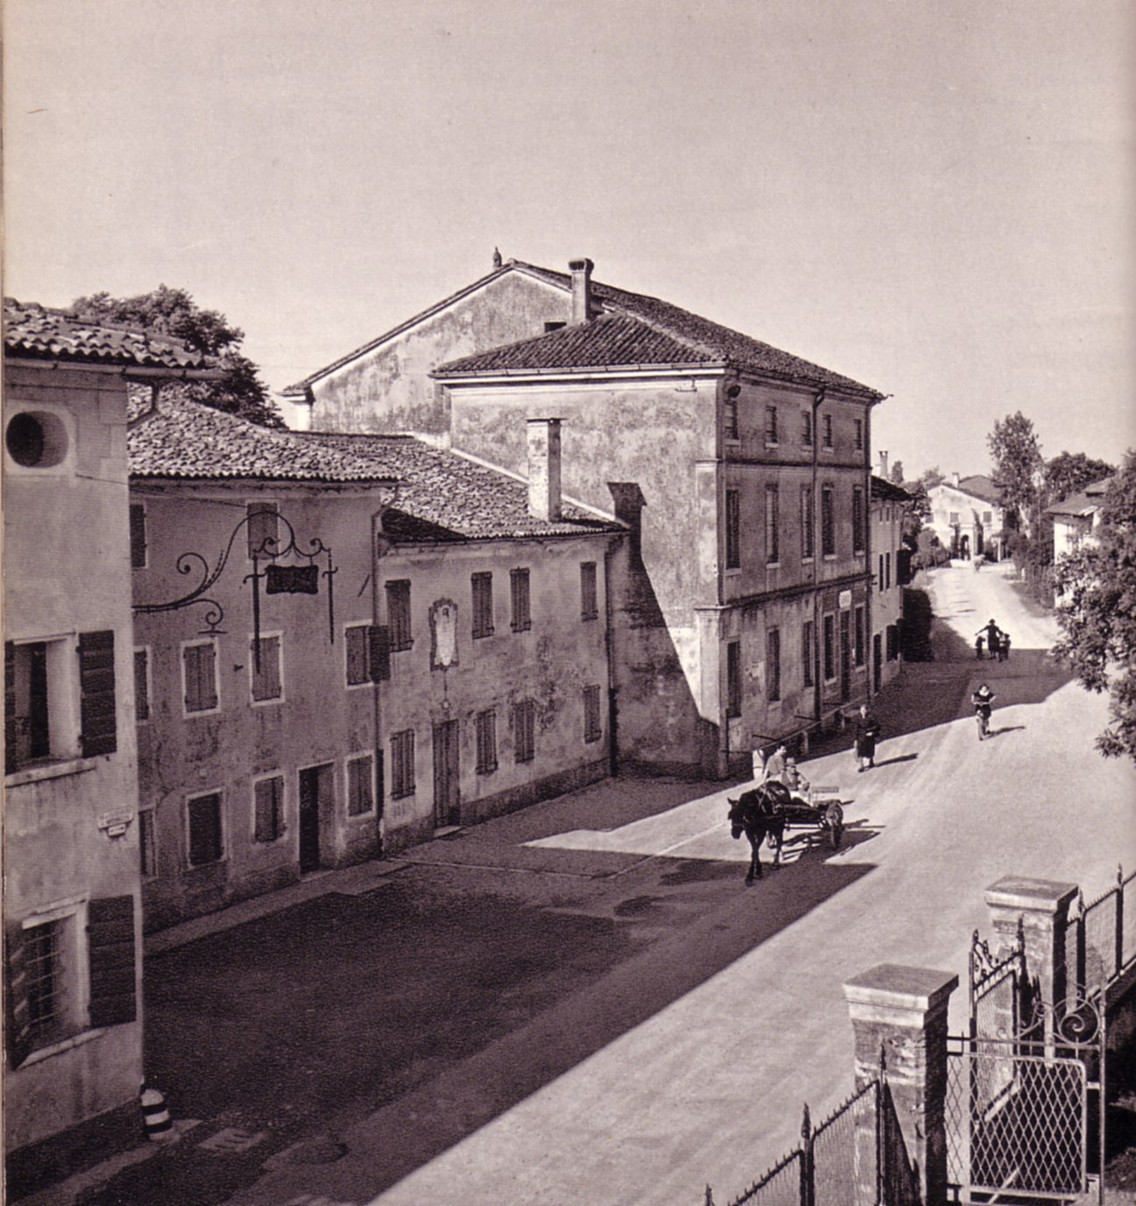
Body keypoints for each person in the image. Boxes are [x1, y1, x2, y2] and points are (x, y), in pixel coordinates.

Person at [852, 703, 881, 772]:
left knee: (870, 749)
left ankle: (871, 762)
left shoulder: (871, 717)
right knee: (860, 750)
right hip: (861, 737)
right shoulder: (857, 718)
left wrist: (871, 732)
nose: (863, 712)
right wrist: (855, 739)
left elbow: (877, 726)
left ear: (867, 710)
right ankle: (861, 765)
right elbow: (855, 729)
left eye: (864, 710)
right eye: (861, 710)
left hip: (869, 736)